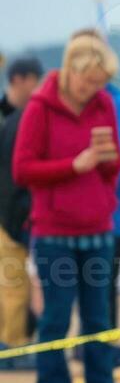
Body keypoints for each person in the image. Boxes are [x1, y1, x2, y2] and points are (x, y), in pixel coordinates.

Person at [11, 35, 120, 383]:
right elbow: (22, 169)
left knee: (98, 320)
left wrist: (104, 161)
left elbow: (114, 166)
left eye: (98, 83)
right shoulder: (40, 109)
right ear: (71, 71)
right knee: (56, 318)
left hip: (97, 229)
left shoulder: (104, 103)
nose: (93, 89)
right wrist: (72, 165)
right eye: (87, 81)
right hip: (53, 232)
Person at [69, 29, 120, 365]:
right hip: (85, 218)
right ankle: (90, 345)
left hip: (113, 218)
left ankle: (103, 349)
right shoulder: (71, 104)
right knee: (87, 285)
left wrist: (92, 191)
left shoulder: (115, 103)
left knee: (102, 285)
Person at [0, 56, 43, 357]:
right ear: (19, 79)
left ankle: (17, 341)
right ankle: (12, 347)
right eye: (34, 81)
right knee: (13, 284)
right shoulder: (16, 118)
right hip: (10, 214)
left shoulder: (30, 115)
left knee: (19, 283)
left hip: (23, 213)